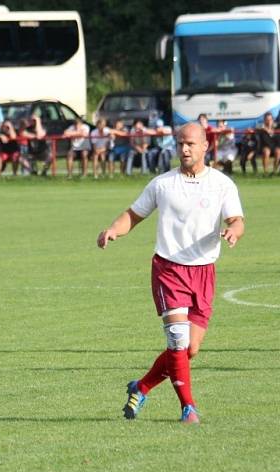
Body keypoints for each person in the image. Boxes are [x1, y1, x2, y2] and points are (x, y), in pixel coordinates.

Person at [96, 122, 245, 424]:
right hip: (169, 270)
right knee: (177, 340)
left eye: (191, 144)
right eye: (180, 144)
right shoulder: (162, 184)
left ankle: (142, 386)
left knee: (189, 349)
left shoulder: (222, 184)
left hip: (203, 271)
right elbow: (133, 215)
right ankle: (188, 407)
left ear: (206, 146)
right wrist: (113, 229)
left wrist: (234, 231)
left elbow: (237, 219)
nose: (185, 149)